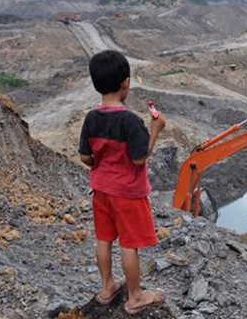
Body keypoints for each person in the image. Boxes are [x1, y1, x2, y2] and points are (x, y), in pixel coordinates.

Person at [78, 50, 165, 315]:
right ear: (125, 83)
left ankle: (107, 288)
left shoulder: (91, 118)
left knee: (104, 239)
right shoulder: (130, 121)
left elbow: (85, 157)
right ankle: (135, 296)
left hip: (100, 191)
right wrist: (155, 131)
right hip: (127, 194)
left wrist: (100, 164)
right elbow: (139, 159)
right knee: (129, 244)